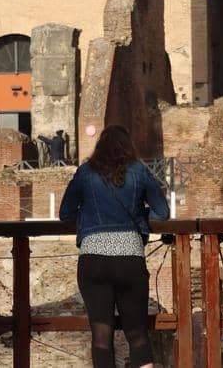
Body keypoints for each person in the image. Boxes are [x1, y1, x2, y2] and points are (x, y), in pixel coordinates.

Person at [59, 124, 170, 368]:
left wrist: (90, 217)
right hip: (130, 257)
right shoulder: (140, 171)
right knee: (138, 333)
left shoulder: (85, 172)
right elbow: (162, 212)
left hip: (94, 259)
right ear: (128, 146)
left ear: (100, 146)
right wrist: (139, 216)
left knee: (101, 337)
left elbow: (65, 213)